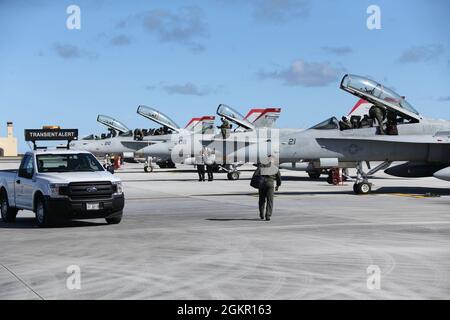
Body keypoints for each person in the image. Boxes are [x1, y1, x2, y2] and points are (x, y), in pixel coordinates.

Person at [254, 155, 281, 221]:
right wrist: (278, 185)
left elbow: (255, 174)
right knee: (270, 201)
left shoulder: (261, 166)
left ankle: (261, 214)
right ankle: (268, 215)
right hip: (270, 185)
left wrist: (257, 183)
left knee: (261, 200)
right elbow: (279, 178)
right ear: (272, 160)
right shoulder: (275, 167)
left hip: (262, 184)